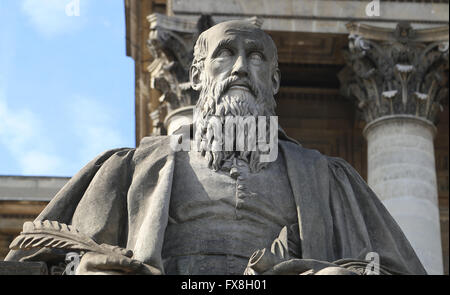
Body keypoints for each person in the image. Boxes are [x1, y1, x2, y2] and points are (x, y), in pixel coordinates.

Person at [5, 20, 426, 275]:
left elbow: (391, 266)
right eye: (225, 54)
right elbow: (38, 256)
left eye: (256, 57)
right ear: (195, 76)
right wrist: (84, 266)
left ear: (275, 82)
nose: (242, 67)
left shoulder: (327, 179)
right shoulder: (131, 169)